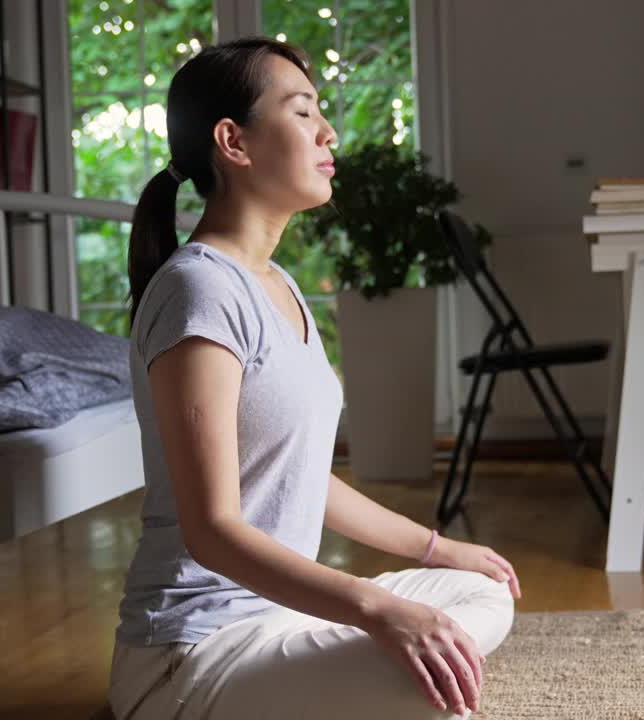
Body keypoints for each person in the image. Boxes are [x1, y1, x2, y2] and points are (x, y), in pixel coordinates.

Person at [107, 36, 518, 720]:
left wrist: (439, 548)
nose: (329, 132)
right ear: (233, 142)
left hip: (280, 620)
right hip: (193, 653)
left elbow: (298, 476)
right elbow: (211, 530)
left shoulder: (280, 285)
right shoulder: (197, 292)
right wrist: (378, 609)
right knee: (427, 683)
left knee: (482, 593)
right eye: (303, 112)